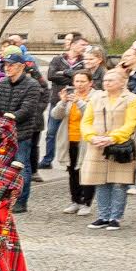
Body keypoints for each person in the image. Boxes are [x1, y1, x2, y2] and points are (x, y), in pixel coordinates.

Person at [80, 67, 136, 229]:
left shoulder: (132, 99)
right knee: (100, 181)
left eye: (111, 80)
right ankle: (103, 216)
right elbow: (86, 121)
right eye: (105, 80)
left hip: (120, 146)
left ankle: (115, 217)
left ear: (122, 82)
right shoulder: (97, 97)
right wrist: (91, 137)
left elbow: (131, 123)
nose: (107, 83)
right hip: (98, 144)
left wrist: (113, 138)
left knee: (119, 183)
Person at [0, 53, 47, 212]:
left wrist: (10, 118)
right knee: (2, 167)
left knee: (22, 166)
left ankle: (21, 201)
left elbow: (28, 109)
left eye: (11, 65)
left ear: (21, 66)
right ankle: (2, 198)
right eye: (6, 65)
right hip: (2, 132)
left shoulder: (32, 85)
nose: (7, 68)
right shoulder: (1, 83)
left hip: (21, 133)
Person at [41, 38, 87, 168]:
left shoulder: (83, 61)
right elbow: (51, 75)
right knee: (51, 132)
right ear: (73, 45)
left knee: (71, 132)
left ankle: (72, 160)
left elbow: (83, 76)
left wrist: (65, 72)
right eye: (82, 44)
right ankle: (47, 160)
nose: (84, 47)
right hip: (58, 100)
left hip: (76, 101)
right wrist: (72, 75)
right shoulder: (57, 59)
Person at [56, 70, 94, 214]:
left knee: (86, 171)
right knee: (72, 171)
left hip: (86, 139)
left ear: (90, 83)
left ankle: (86, 201)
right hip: (70, 138)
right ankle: (75, 200)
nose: (79, 84)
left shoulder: (95, 96)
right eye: (77, 81)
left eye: (82, 81)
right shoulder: (70, 97)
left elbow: (91, 114)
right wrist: (62, 101)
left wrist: (79, 102)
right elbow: (56, 115)